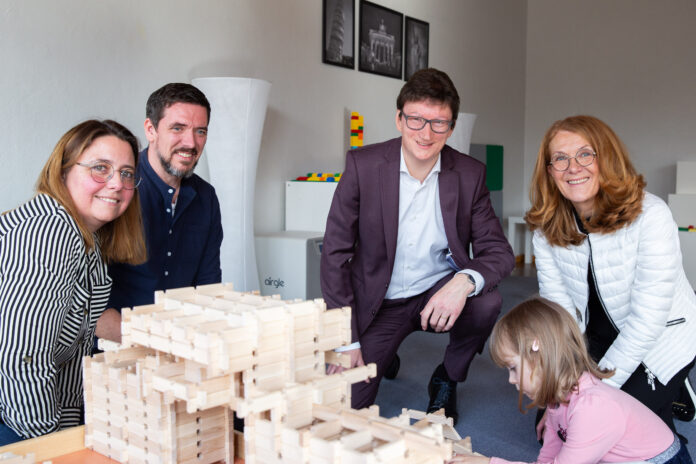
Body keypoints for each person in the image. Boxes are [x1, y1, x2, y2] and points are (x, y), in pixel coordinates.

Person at [320, 68, 514, 424]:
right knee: (341, 412)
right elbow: (334, 255)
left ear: (451, 127)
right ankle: (383, 349)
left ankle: (448, 376)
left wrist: (463, 282)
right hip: (380, 303)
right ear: (398, 119)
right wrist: (346, 342)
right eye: (416, 120)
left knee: (487, 300)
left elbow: (499, 252)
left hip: (437, 293)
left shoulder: (469, 174)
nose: (426, 134)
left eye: (439, 123)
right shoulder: (362, 166)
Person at [525, 115, 696, 434]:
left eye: (585, 154)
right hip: (597, 338)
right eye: (560, 159)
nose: (572, 167)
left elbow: (647, 322)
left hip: (660, 338)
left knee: (602, 430)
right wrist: (562, 389)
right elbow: (560, 315)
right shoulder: (546, 231)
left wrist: (590, 394)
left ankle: (669, 389)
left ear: (607, 159)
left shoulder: (651, 215)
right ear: (550, 172)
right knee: (561, 430)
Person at [0, 120, 146, 445]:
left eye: (126, 173)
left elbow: (79, 333)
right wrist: (50, 446)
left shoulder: (87, 241)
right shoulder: (51, 229)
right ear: (64, 170)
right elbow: (23, 358)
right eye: (100, 168)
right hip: (13, 418)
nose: (116, 183)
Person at [449, 297, 693, 464]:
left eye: (513, 368)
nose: (511, 380)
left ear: (540, 353)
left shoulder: (592, 408)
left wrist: (488, 462)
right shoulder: (557, 402)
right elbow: (546, 460)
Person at [98, 83, 223, 342]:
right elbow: (87, 303)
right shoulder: (116, 189)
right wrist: (155, 341)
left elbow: (209, 289)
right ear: (150, 130)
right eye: (177, 128)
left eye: (200, 131)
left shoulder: (206, 197)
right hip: (113, 350)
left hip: (182, 347)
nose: (190, 142)